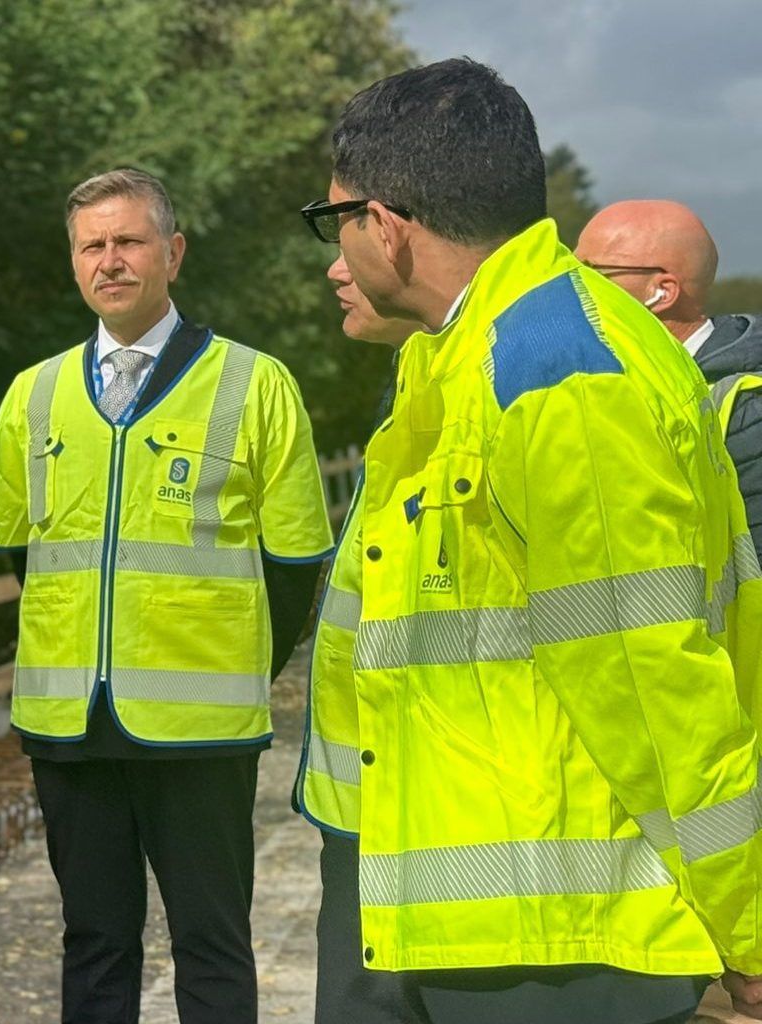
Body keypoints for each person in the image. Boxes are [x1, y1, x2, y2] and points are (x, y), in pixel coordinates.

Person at [303, 56, 762, 1023]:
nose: (333, 252)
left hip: (555, 947)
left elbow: (648, 676)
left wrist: (748, 924)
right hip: (455, 914)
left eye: (332, 220)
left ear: (384, 225)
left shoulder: (558, 375)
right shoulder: (464, 354)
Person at [0, 168, 333, 1024]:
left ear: (174, 252)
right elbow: (15, 547)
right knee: (94, 943)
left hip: (203, 735)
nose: (110, 261)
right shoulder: (35, 392)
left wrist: (233, 665)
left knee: (212, 945)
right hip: (70, 730)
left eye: (128, 241)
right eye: (91, 246)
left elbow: (294, 565)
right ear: (73, 262)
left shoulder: (254, 384)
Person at [292, 255, 427, 1024]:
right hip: (364, 797)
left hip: (423, 804)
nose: (334, 269)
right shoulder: (408, 383)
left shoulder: (473, 390)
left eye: (351, 235)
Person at [575, 200, 762, 549]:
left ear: (661, 292)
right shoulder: (600, 389)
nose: (570, 286)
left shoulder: (748, 411)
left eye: (590, 272)